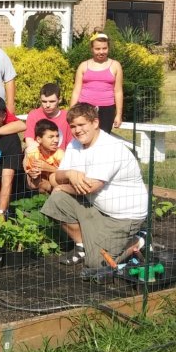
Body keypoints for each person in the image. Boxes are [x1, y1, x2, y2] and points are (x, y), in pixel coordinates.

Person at [42, 103, 147, 267]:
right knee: (57, 200)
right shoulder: (74, 145)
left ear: (95, 123)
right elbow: (56, 177)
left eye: (82, 124)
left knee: (97, 263)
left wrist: (62, 185)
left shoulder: (109, 148)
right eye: (73, 126)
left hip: (124, 217)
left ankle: (138, 241)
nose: (77, 130)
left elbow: (90, 187)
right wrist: (69, 174)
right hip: (97, 206)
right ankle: (82, 246)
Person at [71, 32, 124, 133]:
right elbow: (76, 91)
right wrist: (71, 112)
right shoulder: (83, 66)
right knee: (84, 135)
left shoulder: (115, 66)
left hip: (107, 109)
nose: (101, 52)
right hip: (84, 108)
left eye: (104, 48)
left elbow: (118, 92)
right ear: (92, 49)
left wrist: (118, 114)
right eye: (97, 49)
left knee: (103, 138)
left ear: (108, 48)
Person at [24, 83, 71, 151]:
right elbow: (29, 141)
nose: (48, 105)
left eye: (52, 101)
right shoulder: (33, 115)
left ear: (59, 99)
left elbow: (70, 145)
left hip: (62, 157)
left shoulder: (67, 116)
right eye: (44, 101)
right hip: (39, 156)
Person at [24, 119, 64, 194]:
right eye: (51, 137)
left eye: (57, 136)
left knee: (53, 176)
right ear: (39, 139)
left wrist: (49, 168)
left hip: (62, 184)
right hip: (46, 184)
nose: (56, 140)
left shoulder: (60, 154)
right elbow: (32, 176)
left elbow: (68, 175)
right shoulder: (33, 153)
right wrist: (32, 173)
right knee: (33, 183)